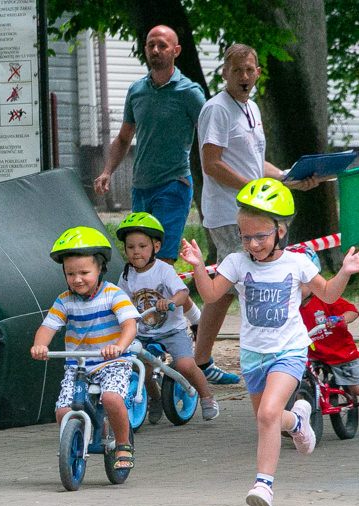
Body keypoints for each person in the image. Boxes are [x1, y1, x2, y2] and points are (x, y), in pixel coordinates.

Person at [179, 178, 359, 506]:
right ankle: (299, 423)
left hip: (289, 350)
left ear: (280, 232)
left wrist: (345, 272)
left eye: (260, 236)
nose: (252, 244)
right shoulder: (236, 262)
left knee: (266, 414)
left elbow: (329, 295)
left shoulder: (296, 263)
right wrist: (198, 267)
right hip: (252, 354)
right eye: (245, 236)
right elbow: (211, 295)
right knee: (272, 419)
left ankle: (264, 486)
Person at [194, 43, 321, 386]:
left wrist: (287, 178)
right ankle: (205, 361)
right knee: (233, 286)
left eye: (250, 70)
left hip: (259, 208)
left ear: (258, 73)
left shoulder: (250, 108)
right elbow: (212, 164)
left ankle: (209, 359)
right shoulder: (216, 110)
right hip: (229, 213)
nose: (245, 76)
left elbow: (253, 162)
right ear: (224, 72)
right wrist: (254, 188)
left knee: (243, 286)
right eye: (237, 70)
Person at [94, 25, 205, 268]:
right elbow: (124, 138)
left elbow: (209, 137)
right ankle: (165, 305)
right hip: (141, 187)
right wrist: (106, 171)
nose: (156, 50)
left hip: (174, 184)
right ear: (145, 49)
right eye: (151, 45)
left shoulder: (190, 92)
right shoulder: (136, 90)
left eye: (162, 46)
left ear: (175, 51)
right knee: (142, 260)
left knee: (162, 261)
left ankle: (165, 304)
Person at [31, 227, 140, 470]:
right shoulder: (64, 300)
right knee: (62, 411)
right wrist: (40, 345)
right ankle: (77, 442)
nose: (77, 279)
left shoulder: (113, 294)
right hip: (78, 365)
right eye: (70, 273)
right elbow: (48, 327)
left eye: (84, 272)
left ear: (100, 268)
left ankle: (123, 443)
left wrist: (119, 347)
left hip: (112, 362)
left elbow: (129, 326)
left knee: (111, 398)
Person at [115, 212, 219, 423]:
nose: (136, 252)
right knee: (137, 365)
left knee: (185, 366)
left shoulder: (164, 270)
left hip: (172, 331)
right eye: (130, 247)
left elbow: (183, 293)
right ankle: (154, 398)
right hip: (143, 331)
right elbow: (120, 299)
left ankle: (207, 396)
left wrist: (170, 301)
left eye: (142, 246)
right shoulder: (127, 275)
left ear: (156, 247)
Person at [293, 245, 359, 398]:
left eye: (301, 283)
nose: (295, 289)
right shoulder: (291, 305)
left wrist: (341, 319)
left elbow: (353, 311)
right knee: (295, 382)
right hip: (312, 354)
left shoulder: (326, 297)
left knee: (355, 388)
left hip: (340, 353)